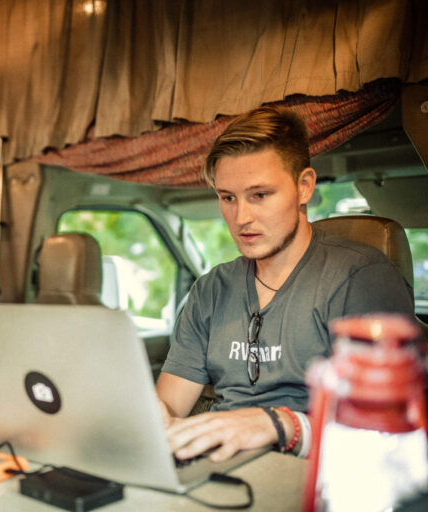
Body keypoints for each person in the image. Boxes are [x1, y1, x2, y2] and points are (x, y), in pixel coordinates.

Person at [156, 106, 414, 462]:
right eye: (228, 197)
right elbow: (167, 409)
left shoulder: (361, 279)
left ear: (304, 186)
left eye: (260, 195)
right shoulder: (210, 290)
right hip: (216, 469)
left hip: (313, 473)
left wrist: (280, 425)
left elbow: (386, 432)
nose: (241, 218)